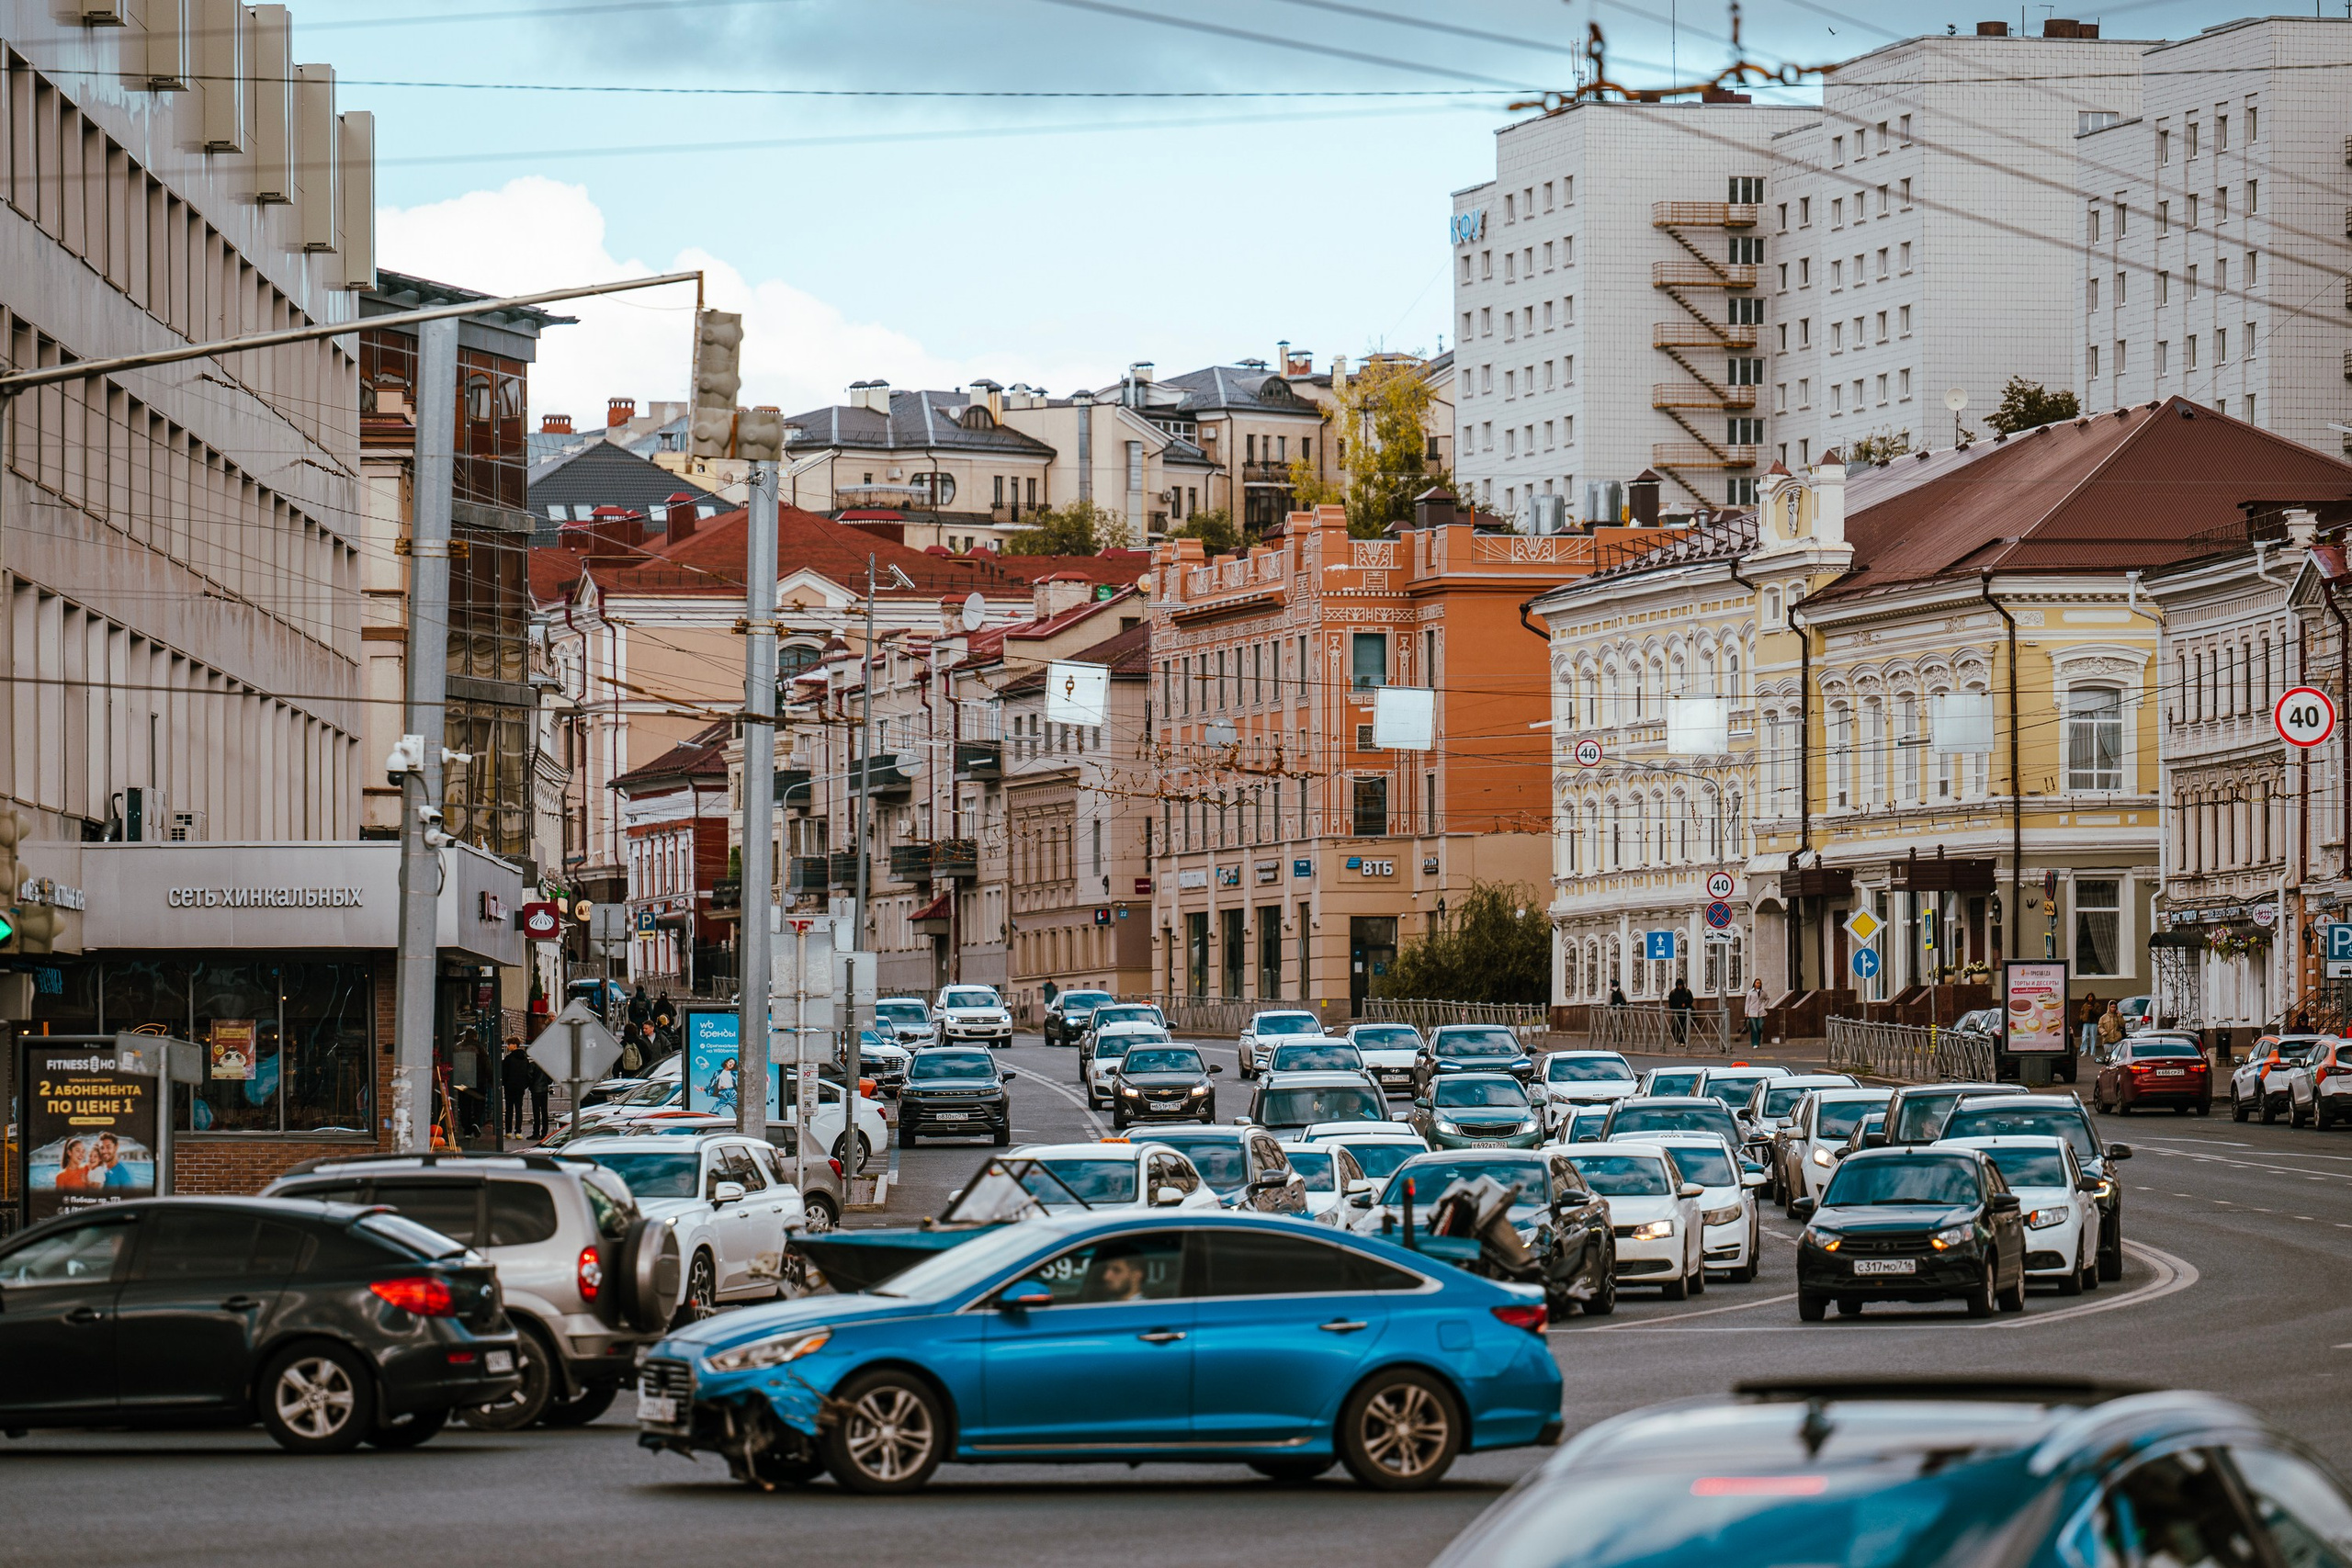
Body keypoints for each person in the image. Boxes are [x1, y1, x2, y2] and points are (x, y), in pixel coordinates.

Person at [501, 1037, 535, 1135]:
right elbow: (528, 1073)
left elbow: (504, 1073)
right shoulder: (524, 1059)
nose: (508, 1046)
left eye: (509, 1044)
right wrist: (524, 1085)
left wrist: (505, 1084)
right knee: (519, 1109)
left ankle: (508, 1131)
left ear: (514, 1045)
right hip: (520, 1088)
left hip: (509, 1088)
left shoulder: (508, 1059)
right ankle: (518, 1131)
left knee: (509, 1110)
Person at [1666, 977, 1695, 1046]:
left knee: (1684, 1027)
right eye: (1679, 985)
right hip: (1676, 1013)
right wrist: (1673, 1009)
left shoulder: (1687, 992)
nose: (1680, 986)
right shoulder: (1673, 993)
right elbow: (1671, 1002)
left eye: (1681, 985)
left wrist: (1686, 1004)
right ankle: (1675, 1040)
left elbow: (1691, 1000)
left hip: (1684, 1013)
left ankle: (1683, 1041)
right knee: (1675, 1027)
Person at [1744, 978, 1770, 1051]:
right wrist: (1746, 1012)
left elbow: (1767, 998)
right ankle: (1755, 1043)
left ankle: (1758, 1039)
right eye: (1757, 983)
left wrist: (1764, 1005)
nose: (1758, 984)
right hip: (1752, 1012)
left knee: (1760, 1027)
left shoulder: (1763, 992)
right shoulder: (1750, 992)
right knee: (1754, 1028)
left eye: (1759, 983)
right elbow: (1747, 1003)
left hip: (1760, 1012)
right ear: (1754, 984)